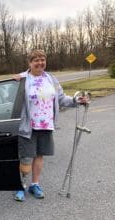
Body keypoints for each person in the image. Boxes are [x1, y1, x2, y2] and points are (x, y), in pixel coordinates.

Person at [13, 49, 89, 202]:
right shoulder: (22, 79)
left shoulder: (51, 80)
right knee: (25, 159)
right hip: (28, 125)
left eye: (42, 60)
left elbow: (61, 99)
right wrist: (13, 81)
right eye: (36, 60)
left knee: (39, 156)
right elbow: (10, 98)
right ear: (30, 63)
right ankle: (20, 185)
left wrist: (76, 101)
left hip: (46, 125)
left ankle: (34, 184)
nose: (40, 63)